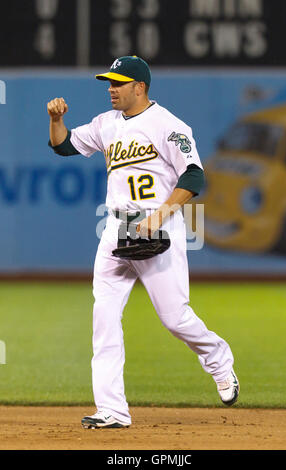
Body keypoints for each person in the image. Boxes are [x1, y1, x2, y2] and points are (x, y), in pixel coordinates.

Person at [47, 56, 239, 429]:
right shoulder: (106, 124)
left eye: (118, 83)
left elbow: (194, 176)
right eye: (109, 82)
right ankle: (113, 410)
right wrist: (56, 120)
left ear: (140, 87)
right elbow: (64, 146)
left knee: (175, 318)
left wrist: (160, 216)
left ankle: (219, 360)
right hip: (116, 229)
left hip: (159, 229)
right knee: (104, 317)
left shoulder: (168, 125)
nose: (111, 89)